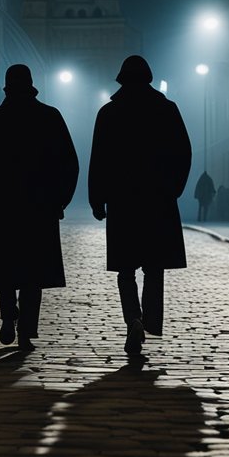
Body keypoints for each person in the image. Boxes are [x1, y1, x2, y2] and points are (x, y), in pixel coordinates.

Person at [0, 64, 78, 351]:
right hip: (40, 208)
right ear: (32, 86)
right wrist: (61, 200)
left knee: (5, 267)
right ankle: (27, 330)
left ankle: (8, 316)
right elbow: (69, 163)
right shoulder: (50, 117)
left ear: (6, 87)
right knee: (34, 271)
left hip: (3, 208)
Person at [89, 55, 192, 356]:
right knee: (154, 266)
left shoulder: (109, 112)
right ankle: (149, 321)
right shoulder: (166, 109)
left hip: (123, 201)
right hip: (158, 199)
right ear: (148, 78)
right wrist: (174, 188)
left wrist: (97, 199)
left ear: (121, 79)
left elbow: (99, 159)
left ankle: (132, 318)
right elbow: (183, 152)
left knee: (125, 269)